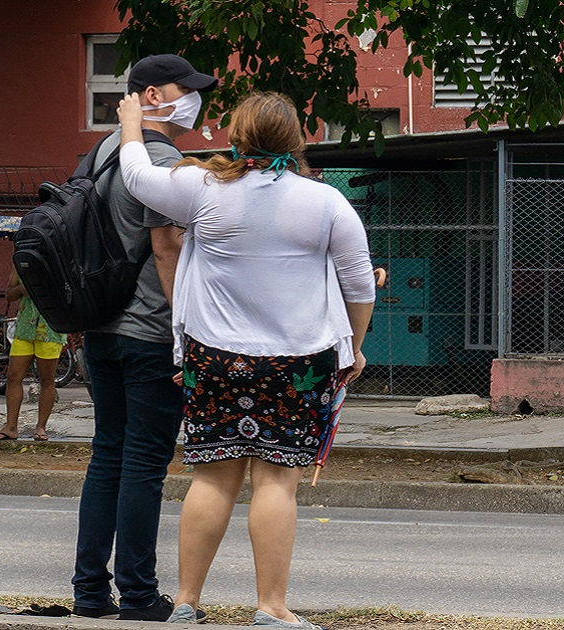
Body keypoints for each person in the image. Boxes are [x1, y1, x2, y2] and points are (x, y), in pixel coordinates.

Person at [115, 91, 375, 629]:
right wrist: (353, 347)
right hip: (296, 363)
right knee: (277, 482)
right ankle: (271, 608)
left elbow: (138, 177)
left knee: (211, 479)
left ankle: (186, 603)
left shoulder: (201, 189)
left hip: (212, 359)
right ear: (297, 138)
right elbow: (357, 284)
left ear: (236, 136)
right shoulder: (326, 204)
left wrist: (133, 124)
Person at [70, 54, 218, 622]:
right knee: (145, 462)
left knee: (107, 453)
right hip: (151, 332)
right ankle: (136, 592)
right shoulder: (161, 159)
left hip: (100, 328)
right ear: (153, 96)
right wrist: (188, 332)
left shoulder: (104, 151)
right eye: (188, 89)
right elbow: (167, 248)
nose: (197, 99)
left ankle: (89, 591)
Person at [0, 270, 61, 442]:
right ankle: (11, 427)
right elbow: (9, 294)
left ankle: (41, 427)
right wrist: (21, 288)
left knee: (47, 379)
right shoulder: (20, 260)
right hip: (25, 327)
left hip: (50, 327)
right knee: (13, 376)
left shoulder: (58, 255)